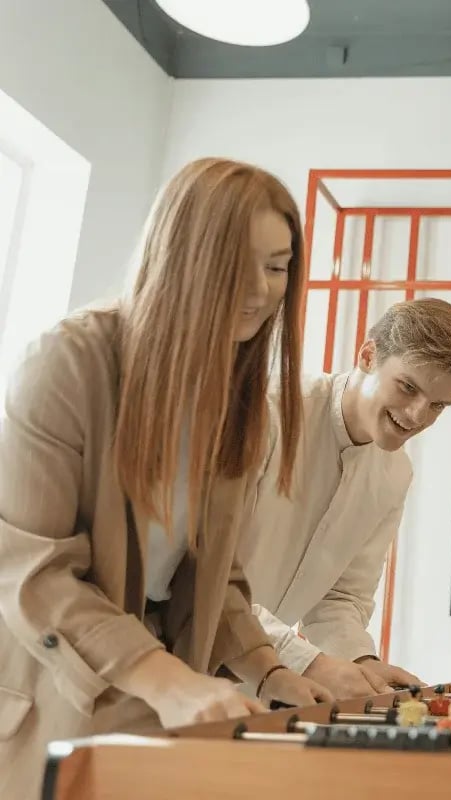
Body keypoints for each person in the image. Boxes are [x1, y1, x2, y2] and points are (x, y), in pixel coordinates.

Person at [0, 157, 333, 800]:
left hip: (149, 684)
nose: (260, 291)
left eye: (277, 265)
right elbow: (34, 571)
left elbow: (211, 574)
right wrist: (167, 680)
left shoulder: (238, 399)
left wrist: (269, 671)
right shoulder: (65, 365)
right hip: (55, 689)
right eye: (236, 262)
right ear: (181, 254)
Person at [239, 297, 451, 699]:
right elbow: (206, 582)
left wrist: (362, 663)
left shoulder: (396, 473)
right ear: (367, 355)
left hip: (258, 686)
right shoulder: (266, 415)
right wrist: (311, 663)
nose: (417, 416)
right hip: (166, 671)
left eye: (438, 406)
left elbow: (340, 596)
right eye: (408, 387)